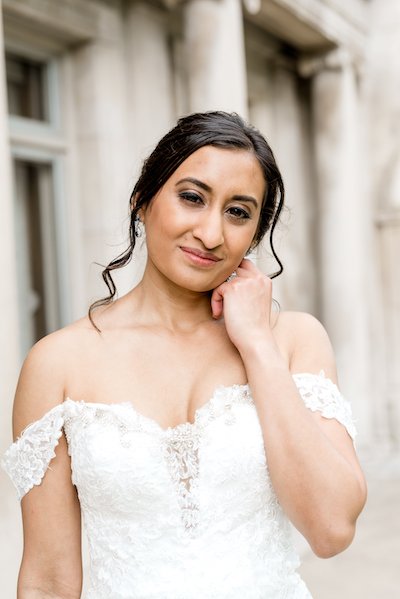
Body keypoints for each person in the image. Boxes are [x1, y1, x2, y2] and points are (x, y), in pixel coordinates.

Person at [2, 112, 366, 599]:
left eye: (239, 212)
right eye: (192, 198)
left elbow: (332, 529)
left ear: (255, 235)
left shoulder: (293, 340)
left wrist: (257, 345)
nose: (211, 234)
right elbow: (47, 581)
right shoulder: (58, 364)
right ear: (142, 202)